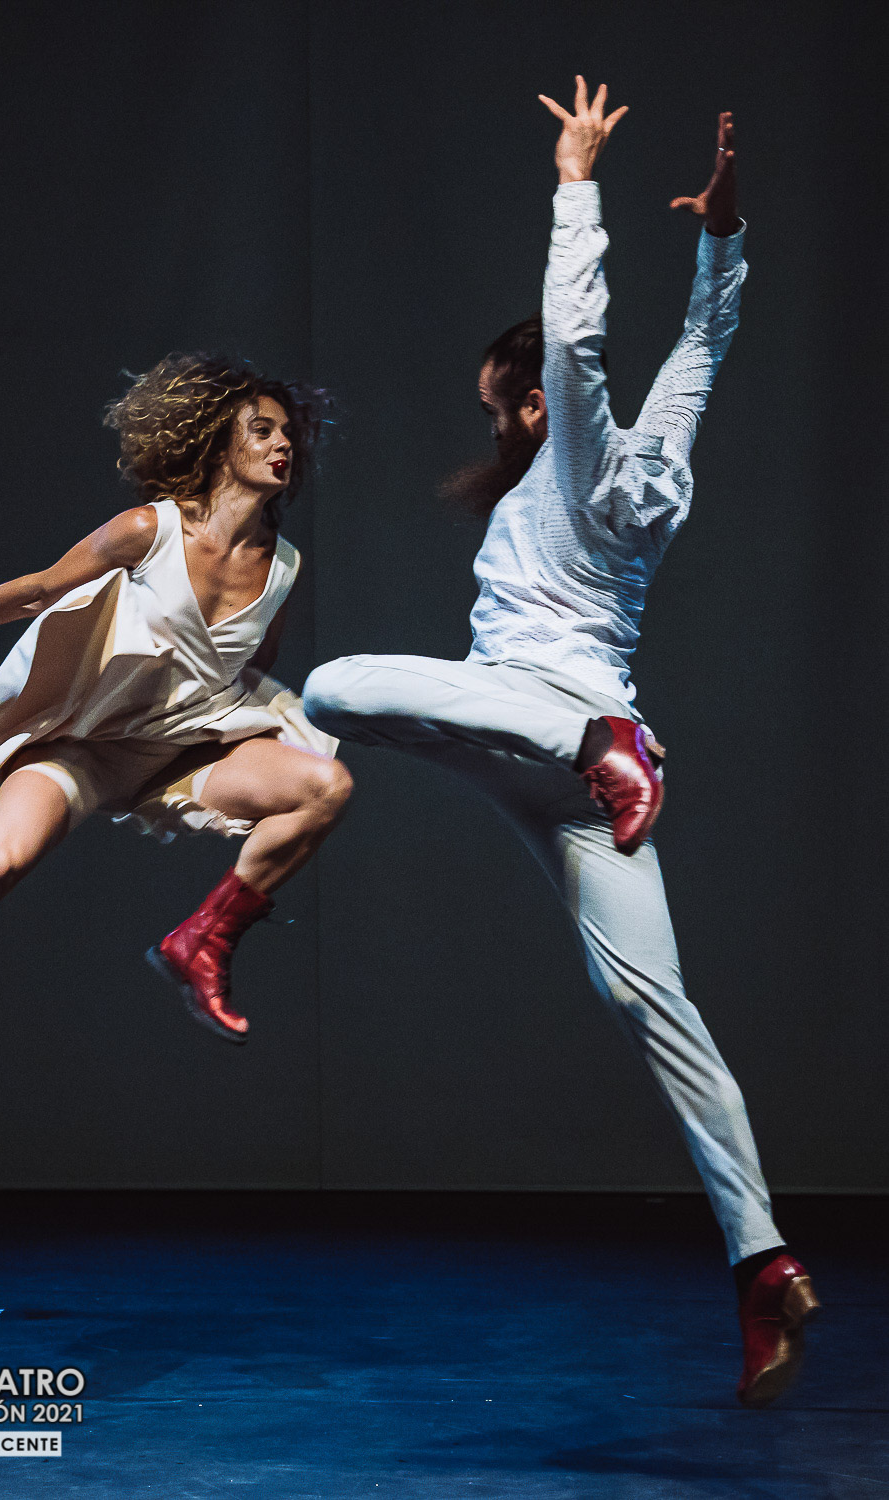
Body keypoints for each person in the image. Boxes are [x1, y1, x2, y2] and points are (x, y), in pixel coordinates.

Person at [302, 81, 817, 1407]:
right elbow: (705, 335)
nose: (496, 423)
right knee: (651, 1005)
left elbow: (577, 336)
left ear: (529, 405)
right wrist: (722, 229)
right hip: (567, 766)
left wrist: (574, 181)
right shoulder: (656, 450)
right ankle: (760, 1258)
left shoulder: (573, 442)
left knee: (333, 685)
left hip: (555, 726)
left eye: (499, 406)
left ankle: (598, 739)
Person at [0, 353, 351, 1112]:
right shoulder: (149, 529)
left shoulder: (282, 565)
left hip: (180, 755)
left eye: (288, 433)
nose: (281, 443)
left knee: (325, 786)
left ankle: (203, 941)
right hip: (83, 751)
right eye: (261, 430)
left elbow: (255, 665)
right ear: (217, 442)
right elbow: (39, 590)